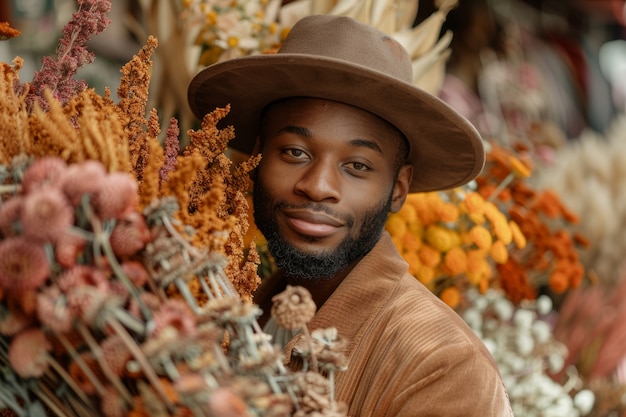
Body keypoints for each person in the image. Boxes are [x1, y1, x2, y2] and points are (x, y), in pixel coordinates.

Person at [188, 14, 513, 417]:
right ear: (256, 157)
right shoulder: (228, 311)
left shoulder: (443, 368)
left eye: (357, 166)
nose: (318, 184)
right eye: (295, 152)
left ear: (398, 189)